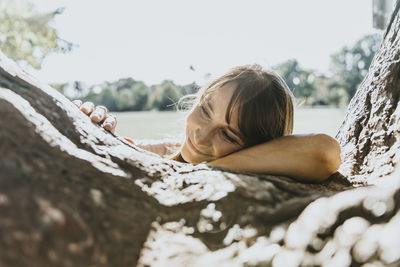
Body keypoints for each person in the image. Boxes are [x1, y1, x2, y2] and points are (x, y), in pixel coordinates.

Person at [73, 64, 341, 183]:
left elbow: (323, 152)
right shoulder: (160, 152)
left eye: (229, 135)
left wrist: (202, 171)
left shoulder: (272, 172)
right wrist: (84, 120)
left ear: (262, 147)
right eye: (204, 110)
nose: (201, 138)